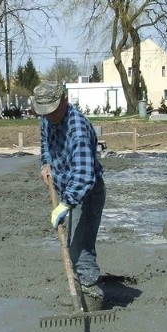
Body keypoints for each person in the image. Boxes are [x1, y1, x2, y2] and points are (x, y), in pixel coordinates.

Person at [32, 81, 106, 305]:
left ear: (64, 99)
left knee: (81, 249)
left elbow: (84, 175)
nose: (50, 116)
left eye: (53, 111)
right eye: (45, 112)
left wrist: (66, 204)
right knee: (74, 244)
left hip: (87, 193)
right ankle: (82, 294)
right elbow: (45, 143)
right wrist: (46, 164)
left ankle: (94, 299)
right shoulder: (46, 118)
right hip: (66, 190)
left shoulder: (77, 129)